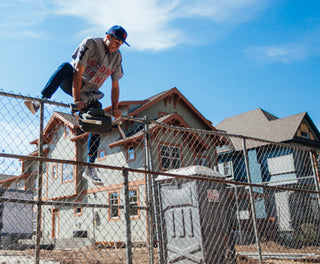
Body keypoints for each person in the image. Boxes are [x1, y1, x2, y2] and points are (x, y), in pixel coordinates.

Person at [24, 25, 129, 185]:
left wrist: (115, 108)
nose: (117, 46)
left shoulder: (117, 58)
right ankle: (39, 100)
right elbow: (78, 73)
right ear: (107, 37)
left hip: (90, 93)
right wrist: (76, 100)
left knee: (98, 118)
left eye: (120, 44)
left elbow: (115, 86)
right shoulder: (91, 44)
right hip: (73, 82)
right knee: (65, 67)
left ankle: (90, 166)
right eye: (115, 42)